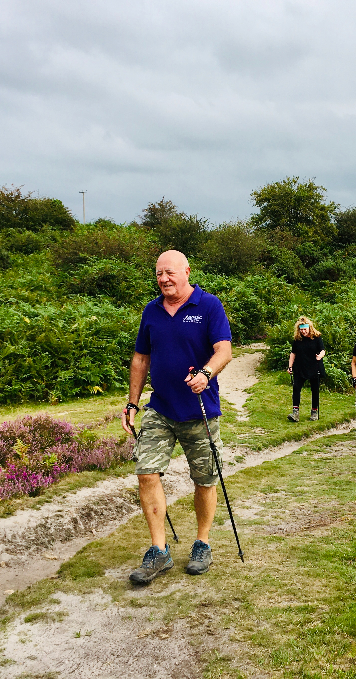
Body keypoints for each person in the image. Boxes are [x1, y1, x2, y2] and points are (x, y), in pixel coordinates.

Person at [122, 250, 233, 585]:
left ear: (186, 271)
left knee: (204, 479)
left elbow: (224, 349)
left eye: (169, 272)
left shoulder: (208, 305)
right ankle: (159, 551)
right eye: (158, 274)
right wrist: (132, 402)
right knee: (146, 473)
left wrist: (207, 372)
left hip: (200, 410)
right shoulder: (151, 311)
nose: (164, 279)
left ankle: (202, 543)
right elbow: (141, 357)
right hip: (161, 408)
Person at [286, 316, 326, 421]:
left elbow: (323, 350)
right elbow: (293, 353)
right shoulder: (297, 339)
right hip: (300, 366)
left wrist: (320, 356)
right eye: (301, 329)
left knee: (315, 390)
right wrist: (290, 366)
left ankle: (314, 412)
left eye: (305, 329)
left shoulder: (317, 337)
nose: (303, 331)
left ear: (309, 328)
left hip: (314, 366)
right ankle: (295, 413)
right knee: (296, 388)